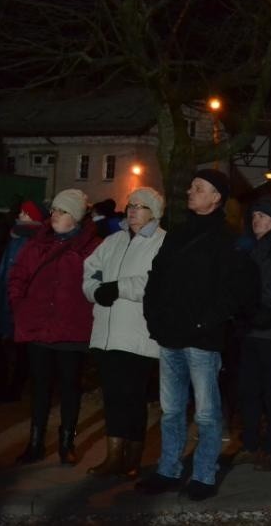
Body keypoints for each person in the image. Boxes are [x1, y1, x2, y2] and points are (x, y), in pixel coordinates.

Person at [139, 169, 257, 501]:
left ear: (216, 197)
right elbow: (157, 277)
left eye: (198, 187)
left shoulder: (227, 239)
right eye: (191, 186)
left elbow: (235, 291)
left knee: (206, 412)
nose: (190, 191)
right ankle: (168, 469)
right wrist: (154, 317)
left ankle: (204, 474)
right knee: (172, 409)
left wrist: (207, 323)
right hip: (170, 335)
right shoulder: (177, 234)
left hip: (203, 340)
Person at [8, 188, 100, 465]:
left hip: (72, 330)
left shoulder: (92, 248)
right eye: (54, 210)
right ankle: (35, 442)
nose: (54, 215)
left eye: (61, 211)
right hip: (39, 329)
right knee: (40, 387)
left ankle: (66, 442)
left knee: (70, 387)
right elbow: (18, 277)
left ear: (75, 216)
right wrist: (20, 306)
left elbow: (97, 284)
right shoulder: (36, 244)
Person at [83, 187, 166, 479]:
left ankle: (131, 457)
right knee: (114, 397)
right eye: (131, 205)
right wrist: (95, 290)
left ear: (154, 212)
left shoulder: (161, 242)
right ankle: (114, 455)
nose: (133, 211)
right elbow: (91, 269)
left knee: (131, 397)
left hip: (137, 334)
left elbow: (157, 280)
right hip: (107, 332)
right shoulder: (113, 240)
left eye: (141, 207)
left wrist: (118, 287)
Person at [234, 195, 271, 472]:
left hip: (270, 333)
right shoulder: (248, 249)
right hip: (249, 331)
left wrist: (264, 309)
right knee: (248, 392)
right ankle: (250, 444)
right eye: (254, 216)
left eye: (263, 216)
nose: (257, 221)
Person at [0, 200, 45, 402]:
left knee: (20, 348)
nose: (20, 215)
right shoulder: (16, 237)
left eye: (24, 213)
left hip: (18, 302)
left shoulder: (33, 241)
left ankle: (13, 388)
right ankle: (4, 385)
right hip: (4, 298)